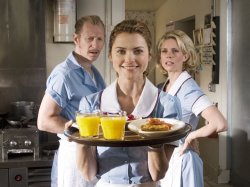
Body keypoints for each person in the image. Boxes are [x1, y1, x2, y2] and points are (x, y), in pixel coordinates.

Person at [65, 19, 183, 187]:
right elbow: (88, 173)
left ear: (149, 55)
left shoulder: (167, 105)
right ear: (110, 56)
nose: (129, 59)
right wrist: (81, 141)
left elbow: (158, 173)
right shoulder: (90, 105)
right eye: (120, 51)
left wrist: (155, 145)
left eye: (138, 51)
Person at [37, 15, 106, 187]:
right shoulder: (64, 74)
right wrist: (80, 130)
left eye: (100, 39)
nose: (95, 45)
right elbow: (44, 120)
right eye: (90, 38)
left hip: (92, 154)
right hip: (74, 154)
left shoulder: (94, 73)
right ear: (76, 39)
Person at [156, 29, 228, 187]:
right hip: (167, 158)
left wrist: (191, 136)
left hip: (182, 160)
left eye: (175, 51)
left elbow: (220, 123)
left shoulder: (188, 88)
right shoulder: (164, 86)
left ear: (186, 56)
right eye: (164, 51)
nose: (169, 55)